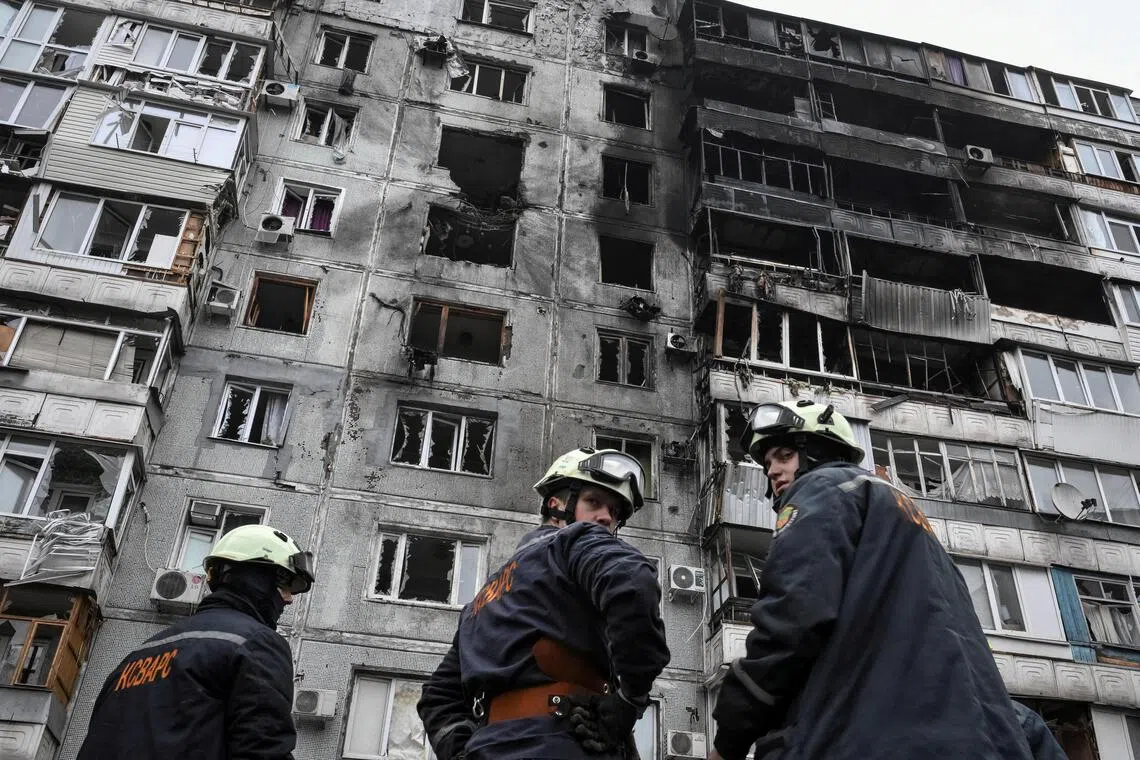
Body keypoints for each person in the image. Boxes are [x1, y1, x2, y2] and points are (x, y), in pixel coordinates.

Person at [710, 399, 1039, 760]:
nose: (772, 471)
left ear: (818, 450)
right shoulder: (913, 528)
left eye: (784, 456)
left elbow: (792, 615)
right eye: (767, 464)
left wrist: (729, 737)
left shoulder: (823, 488)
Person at [418, 447, 671, 760]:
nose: (607, 516)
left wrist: (464, 751)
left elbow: (438, 696)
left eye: (615, 511)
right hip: (565, 743)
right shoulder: (572, 545)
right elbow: (633, 583)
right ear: (556, 506)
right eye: (593, 502)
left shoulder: (480, 602)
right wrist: (630, 699)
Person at [76, 524, 315, 760]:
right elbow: (263, 752)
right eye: (285, 583)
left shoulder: (132, 661)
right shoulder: (255, 643)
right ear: (255, 577)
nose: (289, 599)